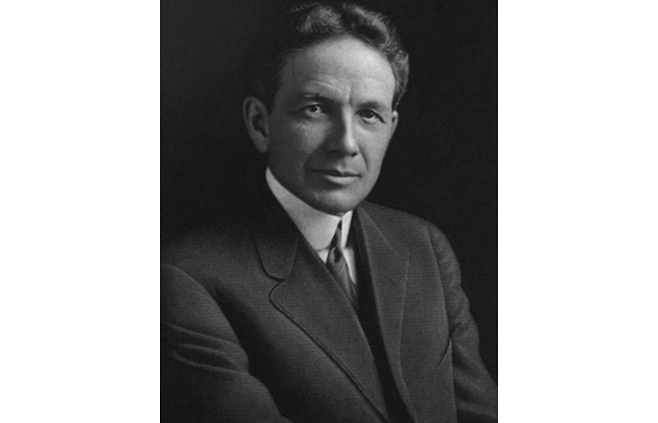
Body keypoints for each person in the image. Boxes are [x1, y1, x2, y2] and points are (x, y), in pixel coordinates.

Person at [161, 2, 497, 422]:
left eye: (369, 115)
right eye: (316, 109)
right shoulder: (190, 279)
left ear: (391, 127)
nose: (346, 144)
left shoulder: (423, 245)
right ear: (260, 124)